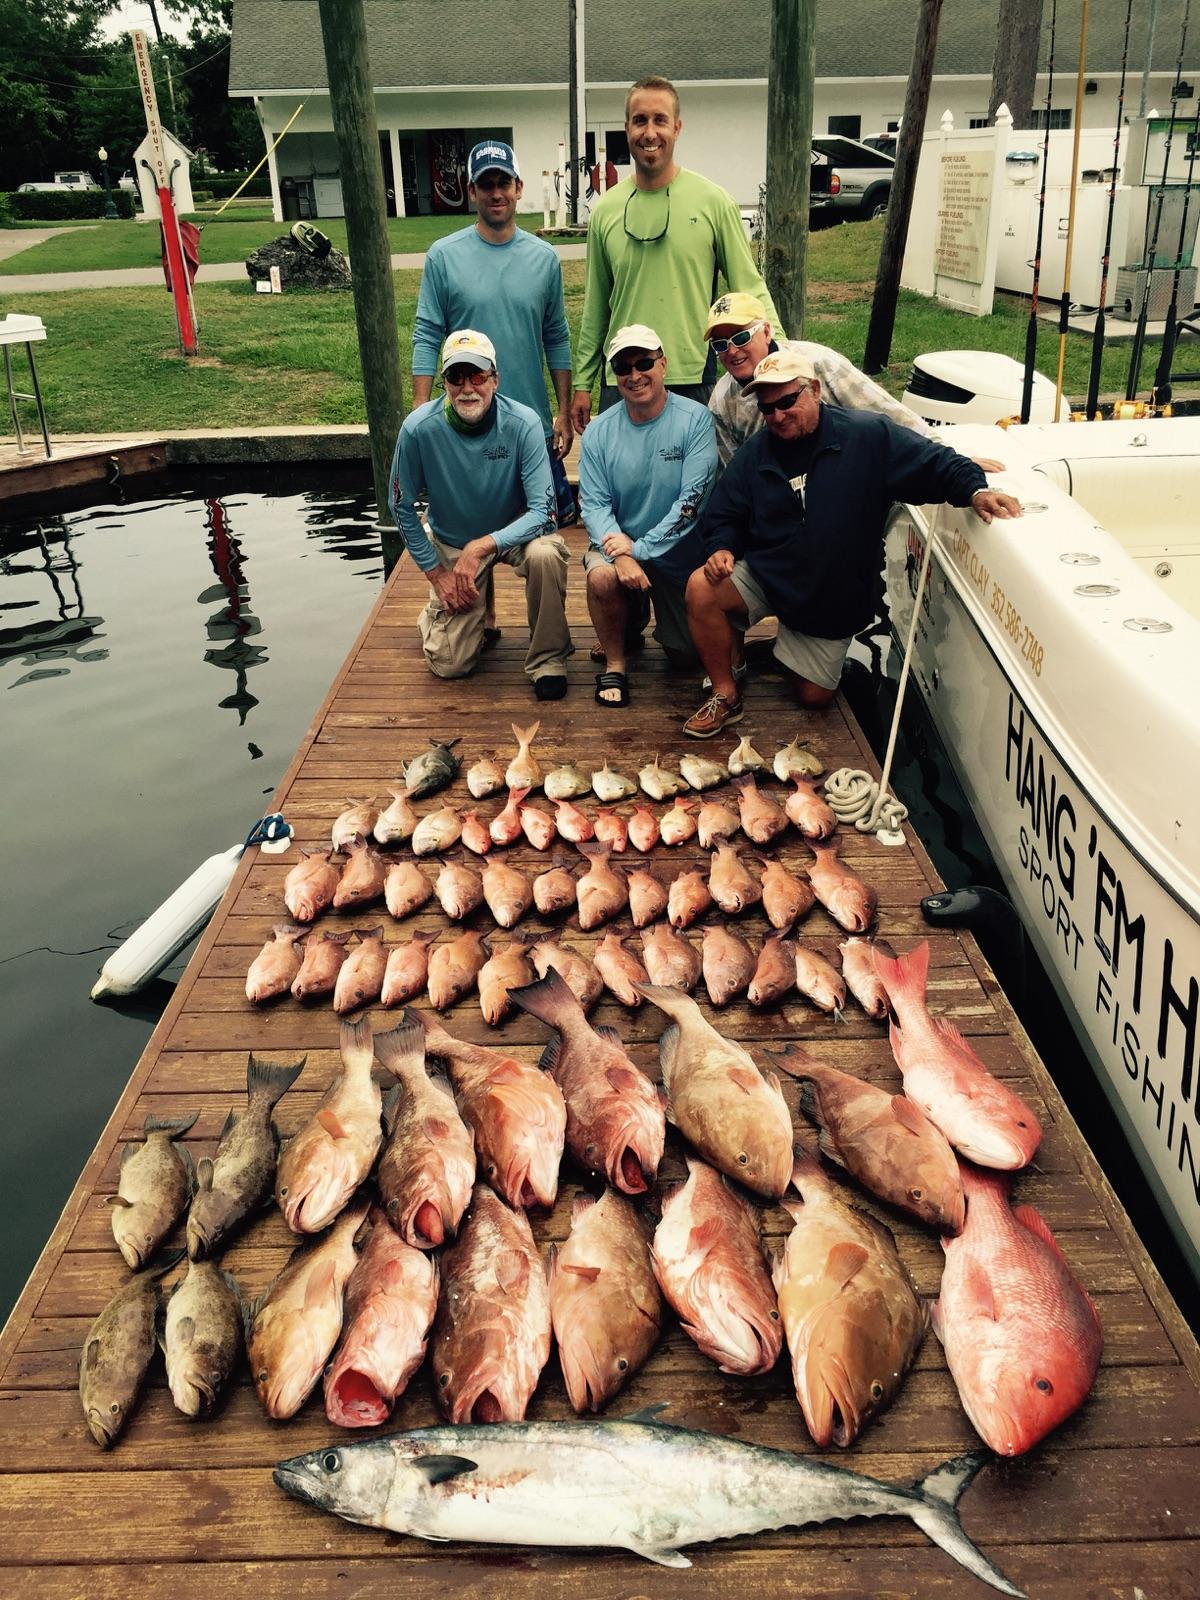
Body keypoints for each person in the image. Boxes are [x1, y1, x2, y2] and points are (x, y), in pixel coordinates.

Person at [682, 348, 1022, 738]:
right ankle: (725, 694)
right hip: (770, 573)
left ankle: (787, 648)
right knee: (701, 588)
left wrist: (975, 491)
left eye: (788, 402)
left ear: (813, 390)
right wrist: (722, 546)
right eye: (767, 408)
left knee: (813, 696)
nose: (777, 416)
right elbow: (723, 511)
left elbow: (936, 461)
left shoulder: (868, 435)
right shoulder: (755, 453)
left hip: (830, 596)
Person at [571, 75, 782, 432]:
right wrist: (582, 383)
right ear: (626, 128)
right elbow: (595, 307)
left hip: (691, 376)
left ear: (677, 127)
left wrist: (782, 353)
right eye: (640, 120)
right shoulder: (605, 211)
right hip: (624, 375)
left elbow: (749, 287)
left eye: (660, 120)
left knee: (698, 484)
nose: (649, 132)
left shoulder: (714, 202)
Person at [388, 328, 572, 700]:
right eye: (456, 377)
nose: (467, 387)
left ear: (495, 378)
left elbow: (544, 510)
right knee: (450, 665)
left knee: (547, 553)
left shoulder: (524, 423)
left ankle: (548, 659)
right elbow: (400, 506)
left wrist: (483, 547)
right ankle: (436, 614)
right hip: (453, 540)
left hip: (517, 533)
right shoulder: (417, 430)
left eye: (478, 375)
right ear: (444, 382)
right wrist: (436, 573)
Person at [411, 139, 577, 529]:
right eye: (486, 184)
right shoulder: (443, 256)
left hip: (530, 427)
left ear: (519, 188)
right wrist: (421, 409)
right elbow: (427, 334)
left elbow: (556, 337)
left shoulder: (545, 259)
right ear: (472, 191)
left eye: (505, 182)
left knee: (542, 541)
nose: (496, 193)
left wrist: (564, 412)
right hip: (467, 421)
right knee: (467, 542)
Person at [578, 324, 717, 707]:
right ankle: (617, 661)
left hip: (677, 553)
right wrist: (622, 555)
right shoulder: (598, 433)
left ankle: (637, 623)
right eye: (623, 368)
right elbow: (593, 504)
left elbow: (693, 502)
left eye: (644, 363)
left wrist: (639, 549)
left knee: (685, 657)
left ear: (664, 364)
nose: (635, 375)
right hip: (617, 546)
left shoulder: (697, 420)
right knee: (603, 577)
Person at [703, 291, 930, 468]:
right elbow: (733, 477)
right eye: (720, 344)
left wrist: (944, 459)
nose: (732, 351)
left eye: (741, 337)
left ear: (766, 332)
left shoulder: (819, 363)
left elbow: (895, 418)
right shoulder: (722, 402)